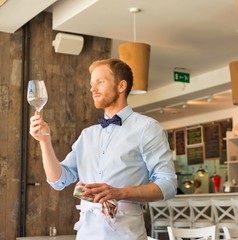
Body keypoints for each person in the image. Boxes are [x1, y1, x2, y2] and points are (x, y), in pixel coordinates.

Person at [29, 58, 177, 240]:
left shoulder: (147, 128)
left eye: (100, 82)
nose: (92, 88)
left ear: (121, 86)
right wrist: (44, 141)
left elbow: (168, 184)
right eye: (91, 84)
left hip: (126, 233)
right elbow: (58, 180)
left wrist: (120, 192)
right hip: (86, 232)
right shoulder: (87, 135)